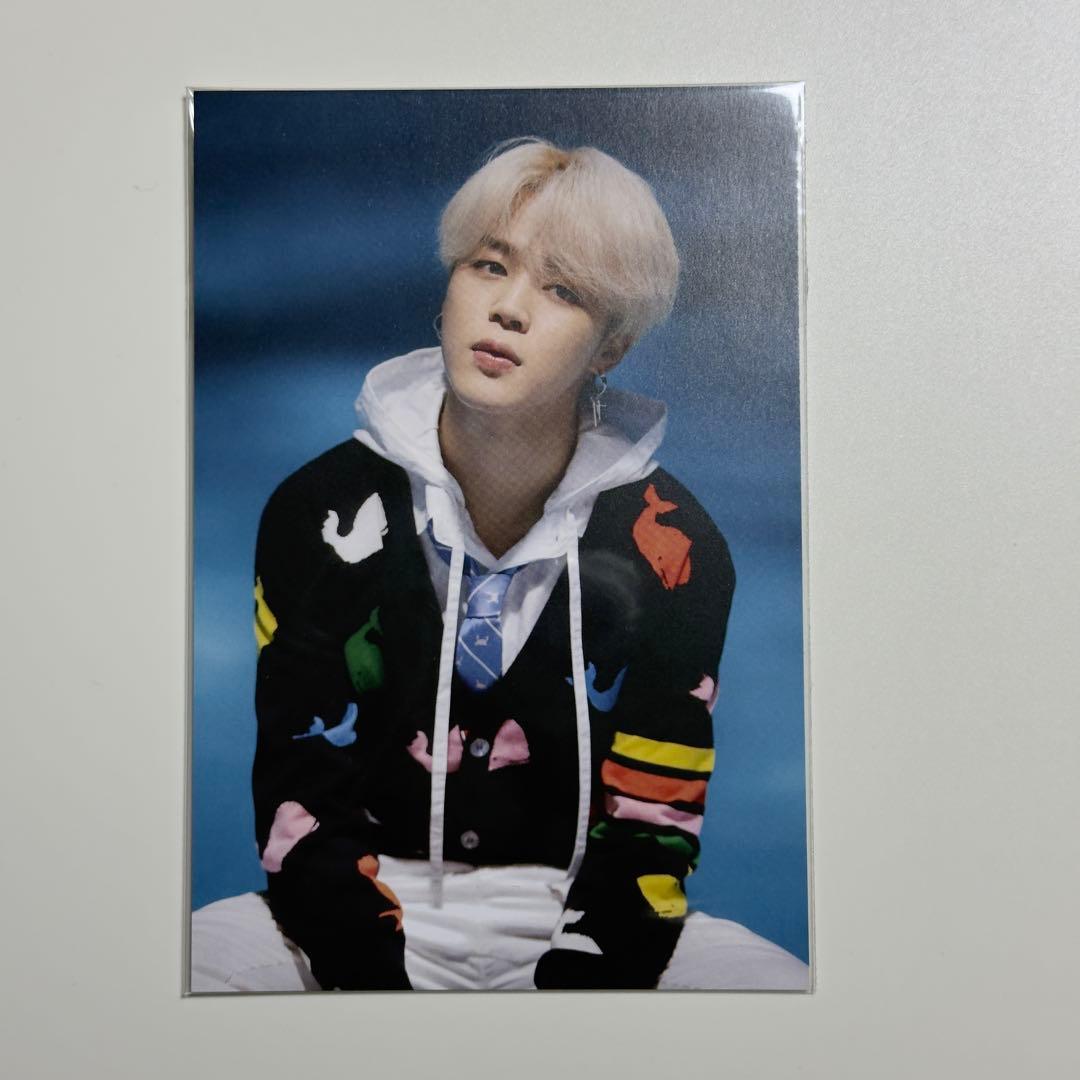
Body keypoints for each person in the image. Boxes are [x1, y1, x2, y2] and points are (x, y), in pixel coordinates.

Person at [191, 138, 809, 992]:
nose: (510, 308)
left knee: (779, 996)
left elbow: (651, 825)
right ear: (449, 288)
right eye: (490, 266)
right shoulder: (323, 509)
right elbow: (302, 788)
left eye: (564, 290)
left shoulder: (675, 545)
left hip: (579, 912)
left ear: (611, 348)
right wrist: (374, 989)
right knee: (190, 971)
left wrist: (573, 1001)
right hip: (357, 901)